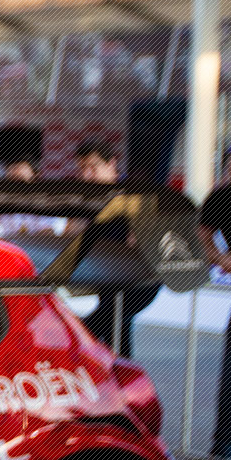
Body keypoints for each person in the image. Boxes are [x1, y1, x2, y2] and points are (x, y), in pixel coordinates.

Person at [185, 143, 231, 460]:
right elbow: (201, 235)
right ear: (227, 169)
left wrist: (229, 259)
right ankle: (222, 452)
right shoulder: (220, 197)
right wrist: (220, 258)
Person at [76, 139, 158, 357]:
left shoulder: (132, 193)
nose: (87, 175)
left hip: (138, 280)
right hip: (109, 278)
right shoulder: (92, 198)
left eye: (93, 167)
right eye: (82, 168)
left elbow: (139, 240)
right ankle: (119, 374)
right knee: (117, 336)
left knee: (86, 332)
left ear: (111, 164)